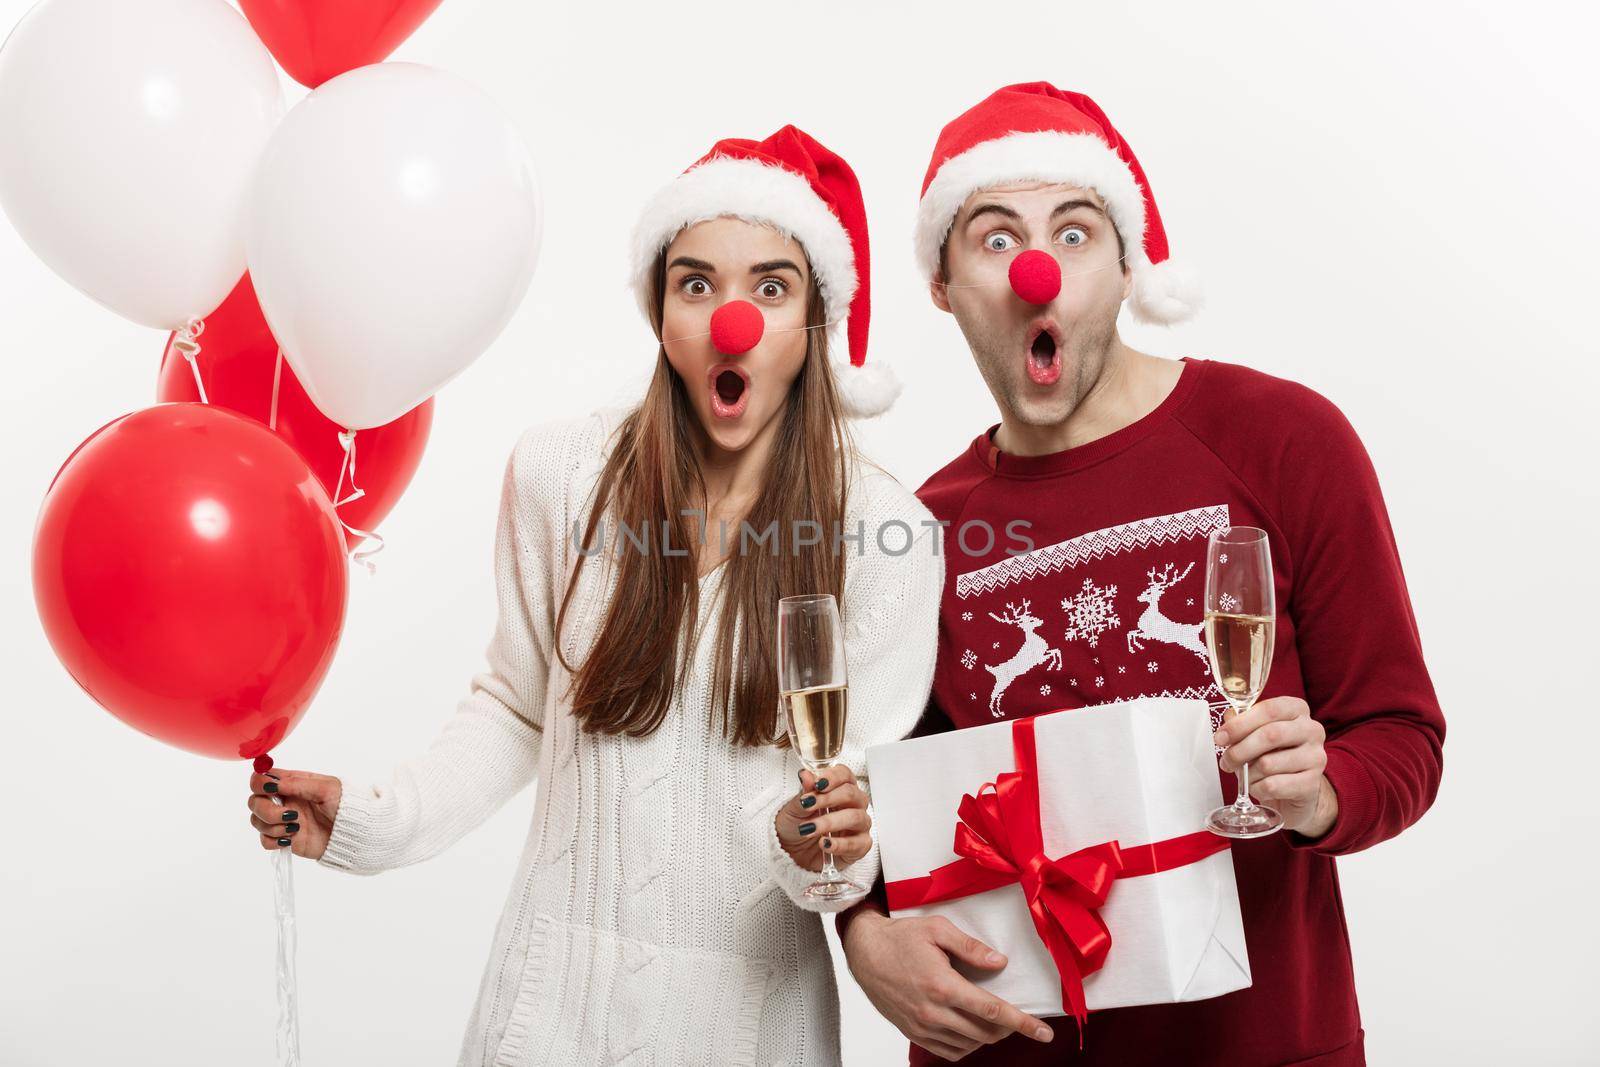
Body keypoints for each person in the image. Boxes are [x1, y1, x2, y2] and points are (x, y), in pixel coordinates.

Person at [244, 125, 943, 1066]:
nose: (728, 319)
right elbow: (516, 708)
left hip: (752, 1032)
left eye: (770, 287)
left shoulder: (887, 539)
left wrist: (821, 843)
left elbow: (847, 829)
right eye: (696, 283)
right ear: (660, 310)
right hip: (549, 1020)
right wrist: (380, 819)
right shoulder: (560, 475)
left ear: (816, 318)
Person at [837, 82, 1446, 1066]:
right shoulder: (918, 529)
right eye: (994, 238)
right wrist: (863, 933)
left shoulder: (1285, 438)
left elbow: (1402, 733)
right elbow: (871, 798)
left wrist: (1320, 786)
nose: (1039, 270)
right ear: (942, 282)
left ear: (1126, 265)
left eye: (1074, 234)